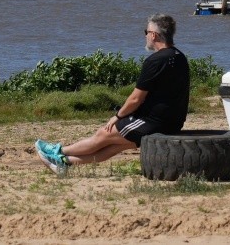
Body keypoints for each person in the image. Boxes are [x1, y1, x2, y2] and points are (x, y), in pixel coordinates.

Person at [35, 13, 190, 175]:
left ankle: (58, 151)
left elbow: (136, 98)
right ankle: (65, 163)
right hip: (173, 122)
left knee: (104, 134)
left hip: (154, 122)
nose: (145, 36)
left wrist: (117, 116)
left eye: (146, 32)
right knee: (114, 146)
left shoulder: (155, 61)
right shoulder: (180, 57)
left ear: (153, 35)